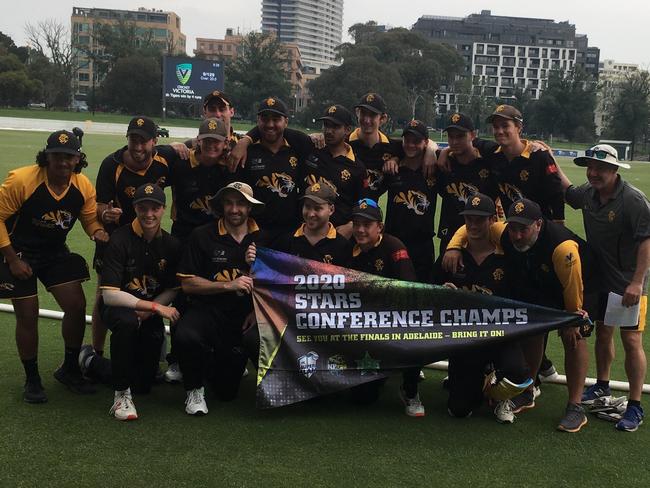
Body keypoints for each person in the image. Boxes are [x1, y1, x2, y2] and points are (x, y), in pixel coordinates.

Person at [443, 198, 596, 432]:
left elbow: (573, 292)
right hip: (541, 282)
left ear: (538, 224)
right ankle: (528, 391)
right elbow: (470, 228)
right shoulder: (505, 231)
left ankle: (575, 406)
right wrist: (453, 247)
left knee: (572, 337)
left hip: (580, 283)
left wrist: (572, 318)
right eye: (513, 229)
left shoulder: (562, 249)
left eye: (523, 229)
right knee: (532, 329)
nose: (516, 236)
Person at [0, 129, 108, 403]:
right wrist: (12, 259)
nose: (62, 163)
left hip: (53, 251)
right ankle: (32, 378)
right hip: (18, 251)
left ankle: (70, 369)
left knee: (75, 305)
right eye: (56, 156)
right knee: (28, 313)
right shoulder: (22, 180)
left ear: (77, 159)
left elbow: (88, 220)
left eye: (68, 157)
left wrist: (98, 231)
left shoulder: (82, 185)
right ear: (46, 157)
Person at [558, 144, 650, 432]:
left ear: (614, 170)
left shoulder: (633, 200)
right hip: (598, 277)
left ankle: (635, 406)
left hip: (628, 283)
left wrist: (637, 282)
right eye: (590, 167)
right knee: (602, 333)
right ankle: (602, 386)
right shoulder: (588, 192)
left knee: (632, 341)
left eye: (600, 168)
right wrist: (548, 158)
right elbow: (567, 191)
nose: (594, 173)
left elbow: (647, 241)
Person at [433, 194, 531, 423]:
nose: (474, 225)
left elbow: (522, 301)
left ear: (492, 220)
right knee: (459, 410)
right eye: (469, 219)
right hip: (466, 338)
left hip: (500, 335)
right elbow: (431, 293)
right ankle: (479, 380)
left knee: (517, 373)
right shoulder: (451, 256)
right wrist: (445, 294)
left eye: (480, 219)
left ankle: (498, 395)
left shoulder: (508, 257)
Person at [173, 182, 265, 415]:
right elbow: (187, 283)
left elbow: (276, 285)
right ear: (221, 205)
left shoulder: (263, 237)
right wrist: (226, 285)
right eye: (229, 203)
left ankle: (213, 363)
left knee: (226, 393)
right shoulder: (202, 235)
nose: (235, 209)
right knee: (186, 334)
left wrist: (256, 311)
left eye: (241, 203)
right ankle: (194, 390)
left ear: (250, 208)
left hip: (242, 318)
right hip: (208, 311)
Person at [97, 183, 181, 420]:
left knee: (144, 384)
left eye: (155, 208)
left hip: (149, 312)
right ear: (135, 208)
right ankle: (121, 395)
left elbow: (174, 288)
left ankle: (93, 362)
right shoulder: (119, 239)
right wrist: (153, 307)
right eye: (143, 208)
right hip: (119, 308)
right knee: (126, 324)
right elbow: (110, 295)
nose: (149, 214)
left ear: (163, 209)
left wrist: (151, 310)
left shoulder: (171, 244)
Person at [92, 116, 173, 358]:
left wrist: (186, 144)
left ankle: (154, 350)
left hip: (150, 238)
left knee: (149, 286)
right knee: (104, 294)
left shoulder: (164, 159)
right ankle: (96, 352)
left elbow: (189, 151)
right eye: (133, 140)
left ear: (154, 141)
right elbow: (97, 205)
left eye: (143, 141)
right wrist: (105, 213)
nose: (138, 147)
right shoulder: (111, 164)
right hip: (116, 238)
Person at [346, 198, 424, 416]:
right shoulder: (347, 249)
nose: (360, 230)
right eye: (356, 224)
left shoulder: (394, 247)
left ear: (379, 226)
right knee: (362, 399)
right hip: (358, 327)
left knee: (415, 331)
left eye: (367, 225)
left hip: (391, 321)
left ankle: (410, 390)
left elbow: (409, 289)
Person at [384, 120, 438, 283]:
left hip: (423, 245)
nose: (411, 145)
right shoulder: (392, 169)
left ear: (425, 142)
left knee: (422, 293)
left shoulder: (435, 169)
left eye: (416, 141)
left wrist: (431, 150)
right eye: (407, 140)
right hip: (394, 241)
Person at [435, 112, 497, 253]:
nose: (455, 142)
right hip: (449, 236)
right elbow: (425, 145)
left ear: (472, 135)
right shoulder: (444, 164)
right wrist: (443, 152)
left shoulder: (487, 162)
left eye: (460, 136)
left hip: (483, 237)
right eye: (451, 137)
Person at [271, 182, 352, 265]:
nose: (311, 214)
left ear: (331, 210)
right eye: (307, 206)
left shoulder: (342, 246)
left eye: (317, 208)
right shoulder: (286, 242)